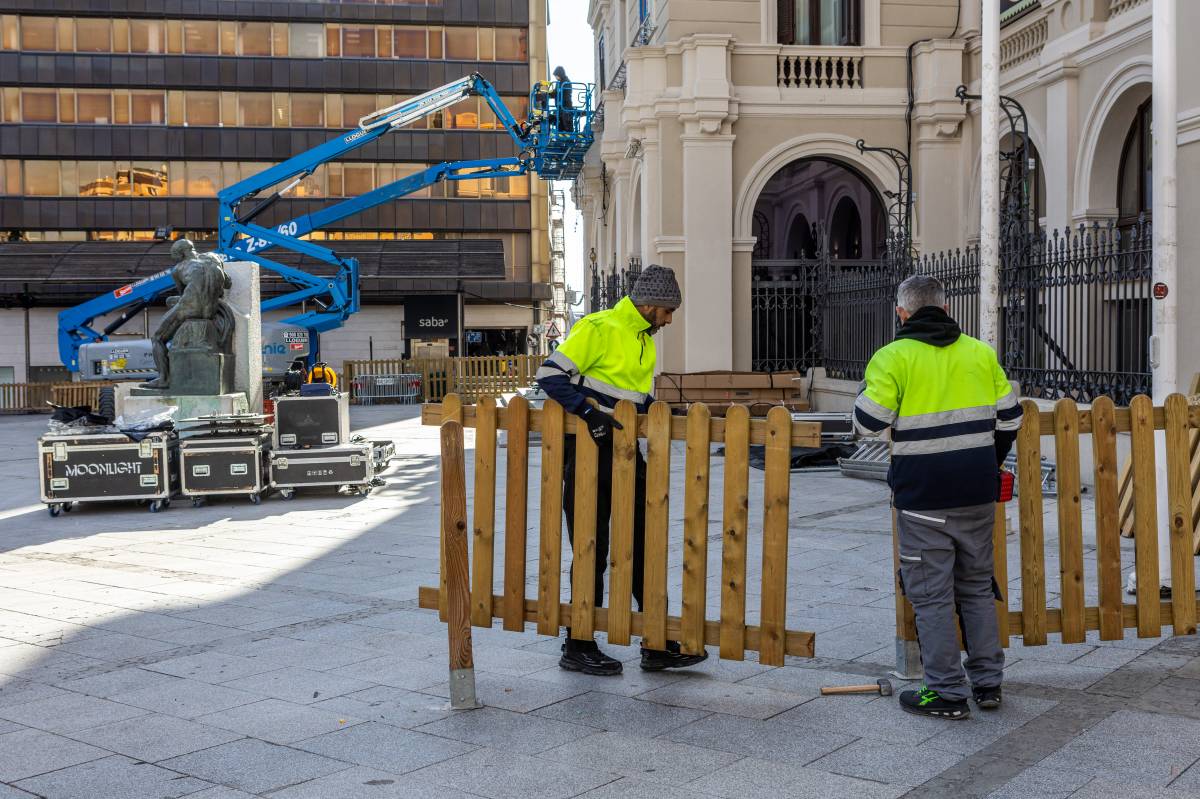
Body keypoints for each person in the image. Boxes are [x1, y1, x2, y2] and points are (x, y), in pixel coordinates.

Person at [853, 274, 1023, 720]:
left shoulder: (893, 357)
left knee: (930, 595)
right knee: (976, 588)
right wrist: (986, 463)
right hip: (977, 492)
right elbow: (1010, 419)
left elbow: (867, 423)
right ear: (946, 309)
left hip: (924, 497)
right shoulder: (980, 353)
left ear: (901, 313)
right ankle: (988, 684)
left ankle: (945, 692)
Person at [536, 265, 708, 676]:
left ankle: (656, 643)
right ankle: (578, 644)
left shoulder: (645, 342)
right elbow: (549, 376)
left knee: (644, 543)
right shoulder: (599, 327)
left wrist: (670, 413)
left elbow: (634, 400)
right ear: (650, 305)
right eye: (668, 311)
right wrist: (587, 414)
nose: (670, 320)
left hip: (628, 452)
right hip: (587, 451)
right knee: (590, 545)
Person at [552, 65, 574, 133]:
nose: (556, 77)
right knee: (559, 126)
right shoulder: (559, 82)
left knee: (567, 125)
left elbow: (565, 93)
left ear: (560, 74)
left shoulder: (566, 82)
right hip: (560, 107)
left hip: (566, 106)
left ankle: (570, 139)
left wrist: (555, 92)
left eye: (556, 75)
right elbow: (556, 92)